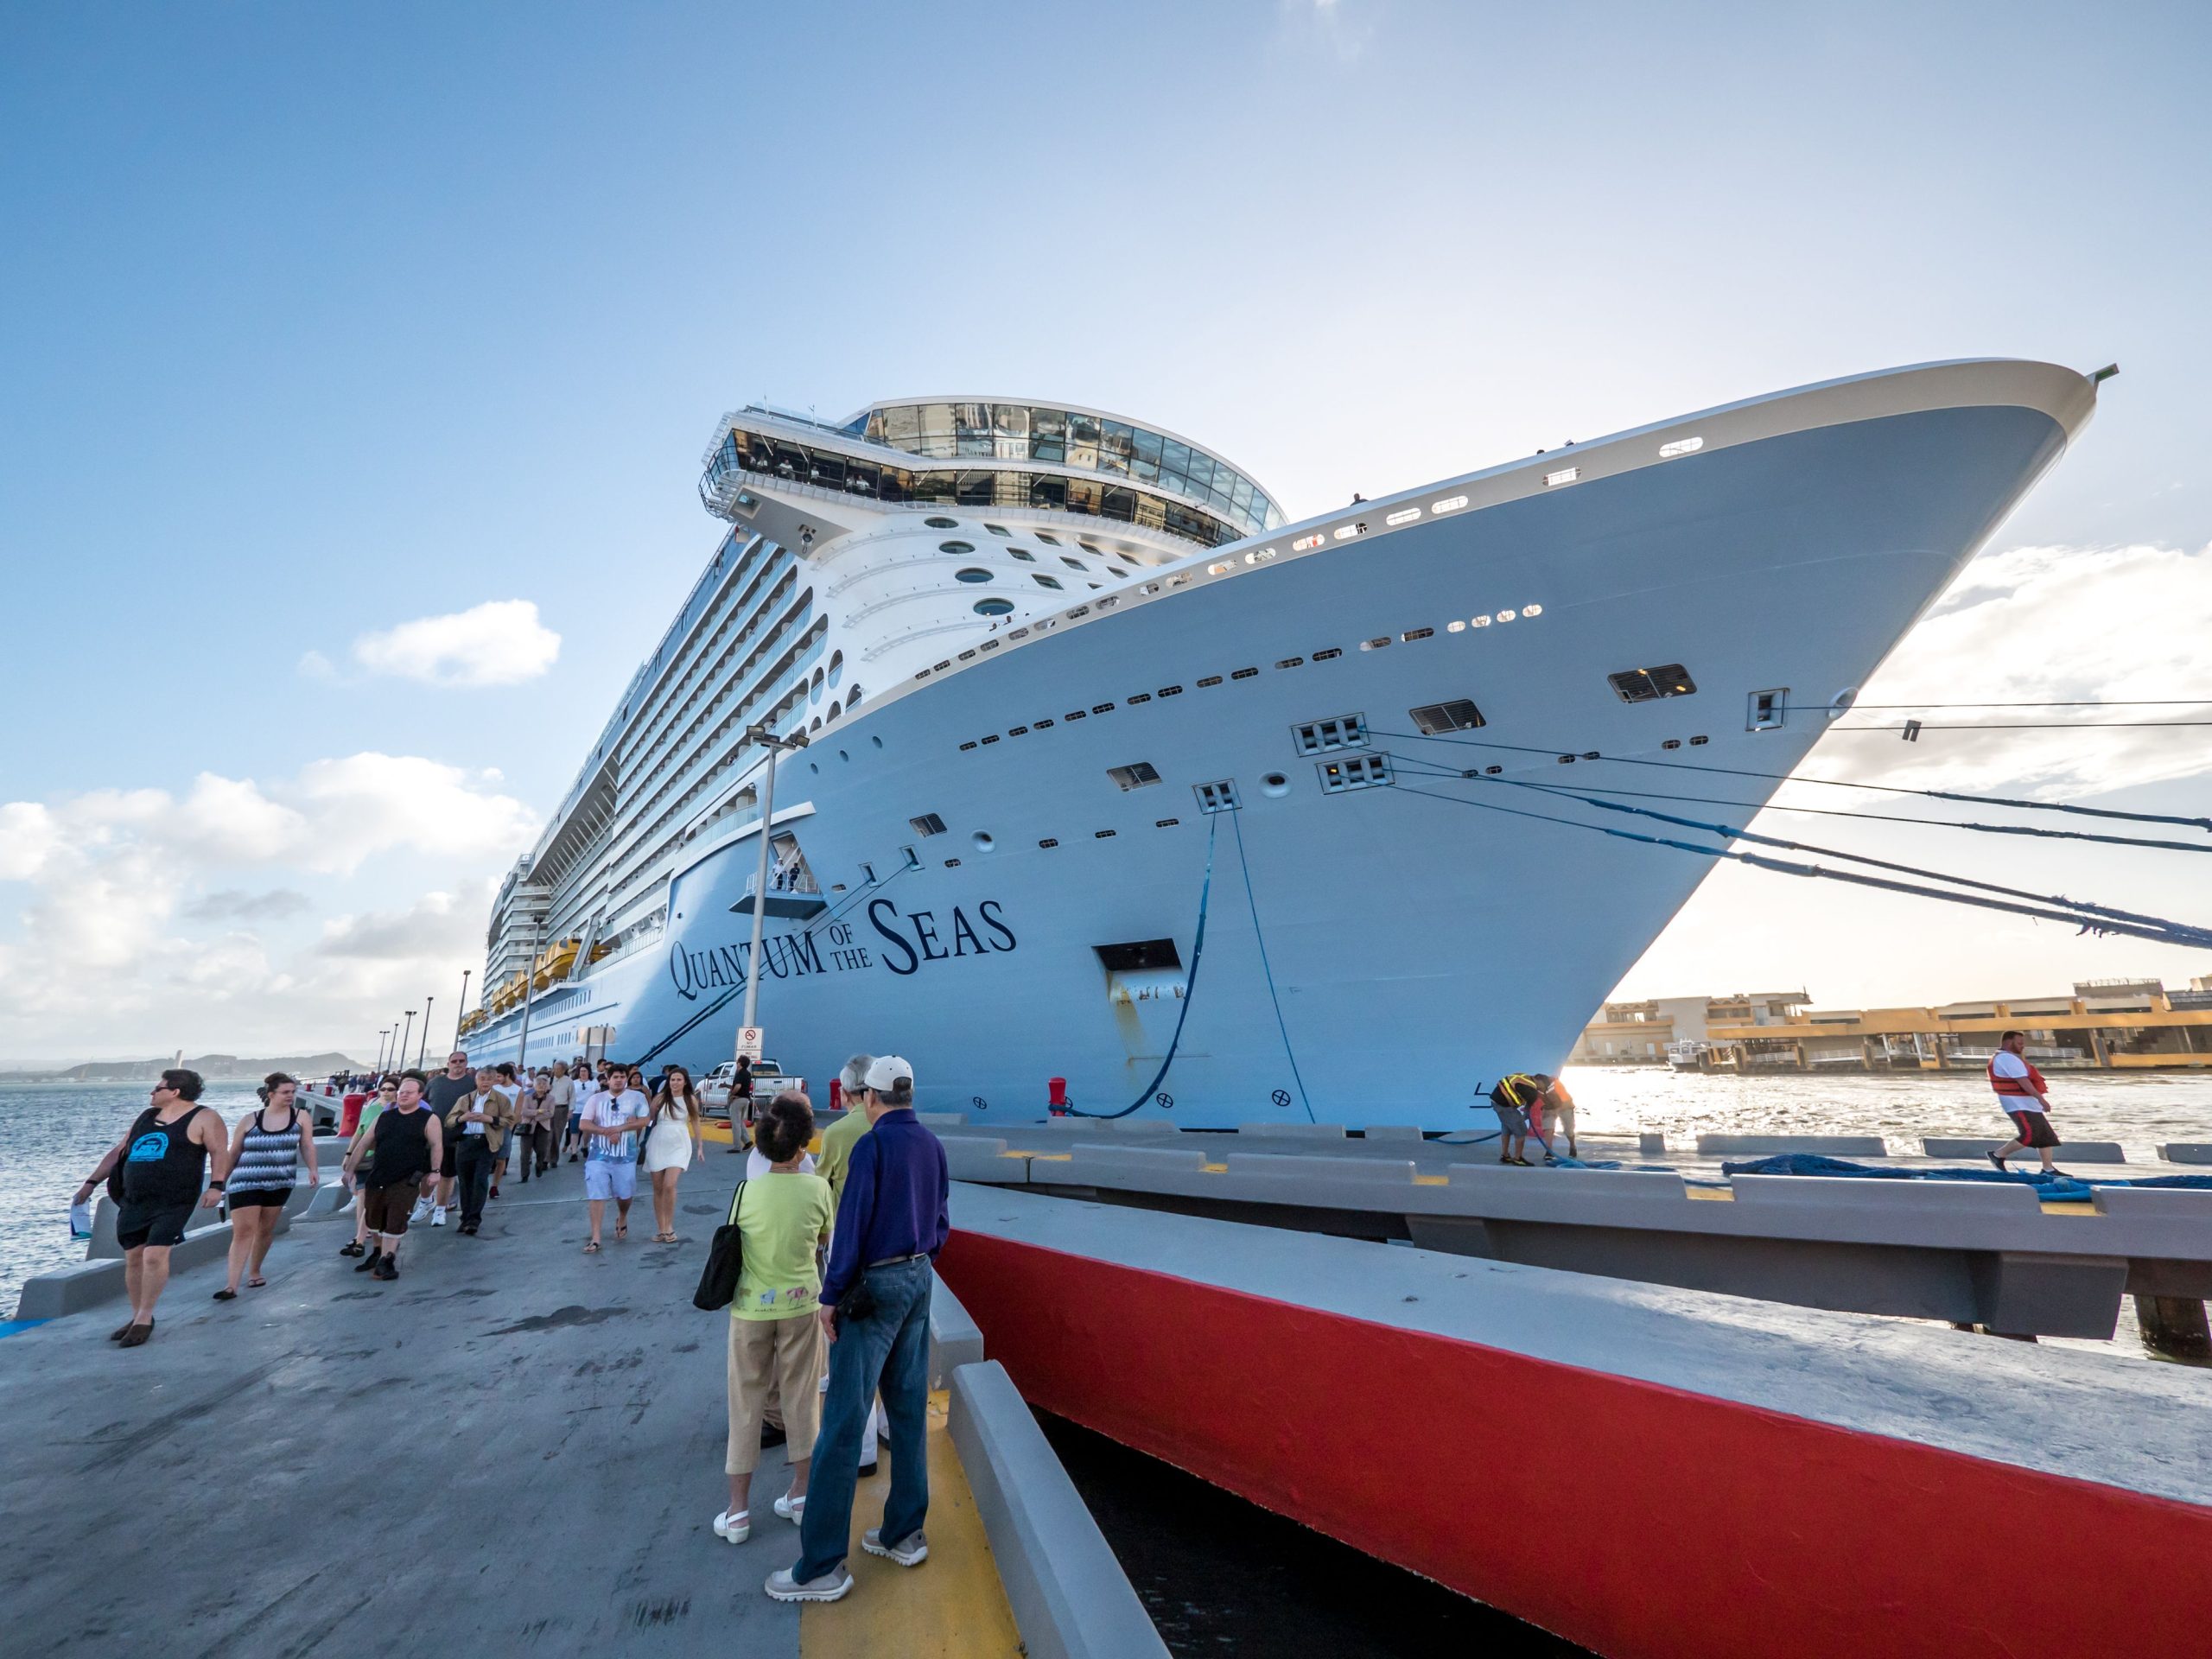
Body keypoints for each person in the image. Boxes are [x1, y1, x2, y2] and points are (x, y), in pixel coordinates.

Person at [767, 1056, 950, 1605]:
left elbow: (850, 1229)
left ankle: (821, 1565)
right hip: (920, 1277)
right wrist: (918, 1262)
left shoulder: (871, 1147)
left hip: (873, 1288)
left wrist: (830, 1296)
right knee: (908, 1408)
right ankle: (904, 1534)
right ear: (909, 1094)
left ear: (869, 1098)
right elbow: (942, 1221)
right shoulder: (932, 1145)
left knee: (844, 1422)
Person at [715, 1093, 835, 1546]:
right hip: (803, 1305)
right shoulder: (818, 1189)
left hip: (750, 1308)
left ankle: (738, 1511)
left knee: (745, 1402)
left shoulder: (746, 1191)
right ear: (804, 1147)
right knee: (802, 1399)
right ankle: (801, 1495)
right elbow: (823, 1238)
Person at [72, 1069, 231, 1346]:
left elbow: (219, 1152)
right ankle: (137, 1315)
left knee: (155, 1255)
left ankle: (145, 1317)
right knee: (134, 1257)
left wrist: (216, 1186)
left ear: (175, 1092)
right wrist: (91, 1183)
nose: (152, 1092)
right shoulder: (146, 1117)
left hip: (174, 1201)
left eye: (158, 1088)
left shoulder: (204, 1117)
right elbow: (119, 1152)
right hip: (134, 1200)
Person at [216, 1072, 318, 1298]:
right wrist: (220, 1181)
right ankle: (231, 1285)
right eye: (285, 1092)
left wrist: (313, 1169)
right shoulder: (249, 1119)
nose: (290, 1096)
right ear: (271, 1094)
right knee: (244, 1231)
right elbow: (234, 1152)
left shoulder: (300, 1116)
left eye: (293, 1092)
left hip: (280, 1181)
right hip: (246, 1181)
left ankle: (254, 1271)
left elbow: (307, 1145)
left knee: (265, 1230)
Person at [346, 1070, 443, 1281]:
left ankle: (386, 1260)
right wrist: (350, 1169)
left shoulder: (429, 1118)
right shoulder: (384, 1116)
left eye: (409, 1092)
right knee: (374, 1218)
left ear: (420, 1095)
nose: (403, 1095)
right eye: (401, 1092)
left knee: (396, 1218)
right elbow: (364, 1143)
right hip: (379, 1175)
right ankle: (378, 1253)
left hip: (407, 1177)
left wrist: (436, 1172)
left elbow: (437, 1145)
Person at [578, 1063, 649, 1251]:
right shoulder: (596, 1099)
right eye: (615, 1077)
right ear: (608, 1079)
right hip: (599, 1155)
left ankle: (622, 1216)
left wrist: (620, 1128)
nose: (619, 1080)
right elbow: (584, 1124)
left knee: (624, 1195)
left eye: (622, 1077)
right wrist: (605, 1131)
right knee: (597, 1194)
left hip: (626, 1156)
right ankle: (596, 1237)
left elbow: (645, 1120)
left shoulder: (637, 1097)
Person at [447, 1067, 515, 1236]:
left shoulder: (501, 1099)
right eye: (482, 1078)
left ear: (494, 1081)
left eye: (489, 1079)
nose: (485, 1082)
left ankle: (473, 1219)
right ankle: (465, 1217)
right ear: (476, 1081)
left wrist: (490, 1119)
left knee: (480, 1180)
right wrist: (462, 1118)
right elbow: (449, 1120)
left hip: (486, 1143)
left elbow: (510, 1120)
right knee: (465, 1182)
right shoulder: (465, 1099)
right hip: (466, 1143)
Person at [1988, 1030, 2065, 1174]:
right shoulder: (2006, 1058)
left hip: (2027, 1104)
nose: (2022, 1046)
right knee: (2030, 1134)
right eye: (2019, 1043)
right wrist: (2041, 1099)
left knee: (2045, 1135)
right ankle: (1997, 1155)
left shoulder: (2009, 1057)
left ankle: (2048, 1169)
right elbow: (2023, 1081)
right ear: (2009, 1042)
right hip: (2018, 1104)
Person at [645, 1065, 704, 1243]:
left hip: (679, 1142)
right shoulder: (660, 1098)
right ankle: (661, 1228)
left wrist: (700, 1146)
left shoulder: (690, 1099)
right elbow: (649, 1119)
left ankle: (669, 1226)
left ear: (685, 1082)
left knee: (669, 1185)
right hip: (658, 1141)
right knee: (658, 1188)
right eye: (672, 1079)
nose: (675, 1083)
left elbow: (695, 1122)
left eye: (679, 1080)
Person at [339, 1079, 397, 1257]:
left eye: (391, 1089)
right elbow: (360, 1132)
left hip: (388, 1160)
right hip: (367, 1159)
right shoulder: (371, 1109)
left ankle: (377, 1236)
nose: (386, 1092)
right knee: (363, 1196)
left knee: (381, 1198)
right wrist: (349, 1155)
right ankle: (360, 1237)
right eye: (383, 1089)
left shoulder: (400, 1110)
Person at [418, 1051, 474, 1225]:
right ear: (448, 1063)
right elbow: (422, 1104)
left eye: (461, 1061)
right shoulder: (435, 1082)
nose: (458, 1064)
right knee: (425, 1173)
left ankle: (440, 1209)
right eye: (454, 1061)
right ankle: (425, 1202)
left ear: (466, 1063)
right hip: (430, 1136)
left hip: (456, 1137)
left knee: (447, 1175)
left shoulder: (473, 1084)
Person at [815, 1055, 876, 1204]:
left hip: (844, 1215)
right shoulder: (892, 1125)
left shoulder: (835, 1132)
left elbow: (819, 1183)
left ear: (845, 1094)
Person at [1488, 1073, 1548, 1166]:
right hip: (1505, 1106)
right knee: (1521, 1131)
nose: (1544, 1088)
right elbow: (1527, 1109)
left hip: (1496, 1102)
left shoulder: (1523, 1077)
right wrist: (1523, 1117)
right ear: (1540, 1081)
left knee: (1506, 1128)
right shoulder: (1532, 1091)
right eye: (1545, 1085)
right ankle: (1518, 1158)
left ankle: (1505, 1155)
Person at [514, 1071, 556, 1184]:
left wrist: (536, 1117)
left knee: (541, 1151)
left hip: (543, 1128)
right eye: (539, 1084)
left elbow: (550, 1113)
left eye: (544, 1084)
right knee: (525, 1153)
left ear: (547, 1087)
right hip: (528, 1127)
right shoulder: (527, 1097)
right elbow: (523, 1111)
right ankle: (524, 1175)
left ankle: (539, 1165)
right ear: (534, 1086)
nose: (541, 1086)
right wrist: (538, 1111)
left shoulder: (551, 1098)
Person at [489, 1063, 524, 1196]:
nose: (497, 1079)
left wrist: (510, 1127)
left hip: (506, 1128)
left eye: (499, 1076)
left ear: (507, 1075)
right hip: (491, 1126)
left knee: (501, 1159)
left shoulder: (518, 1090)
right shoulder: (494, 1088)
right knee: (488, 1158)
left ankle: (495, 1186)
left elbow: (518, 1112)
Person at [1536, 1076, 1580, 1163]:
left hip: (1565, 1105)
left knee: (1569, 1130)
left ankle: (1572, 1146)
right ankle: (1549, 1151)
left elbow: (1564, 1101)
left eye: (1537, 1083)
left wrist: (1555, 1111)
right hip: (1549, 1106)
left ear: (1542, 1082)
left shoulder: (1556, 1084)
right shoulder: (1534, 1086)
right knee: (1548, 1126)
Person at [546, 1061, 576, 1168]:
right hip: (548, 1109)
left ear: (564, 1070)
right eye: (554, 1069)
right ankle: (545, 1159)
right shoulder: (549, 1080)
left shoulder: (569, 1081)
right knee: (547, 1135)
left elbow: (572, 1097)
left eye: (558, 1069)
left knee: (557, 1135)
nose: (555, 1071)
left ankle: (553, 1159)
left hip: (561, 1109)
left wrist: (570, 1111)